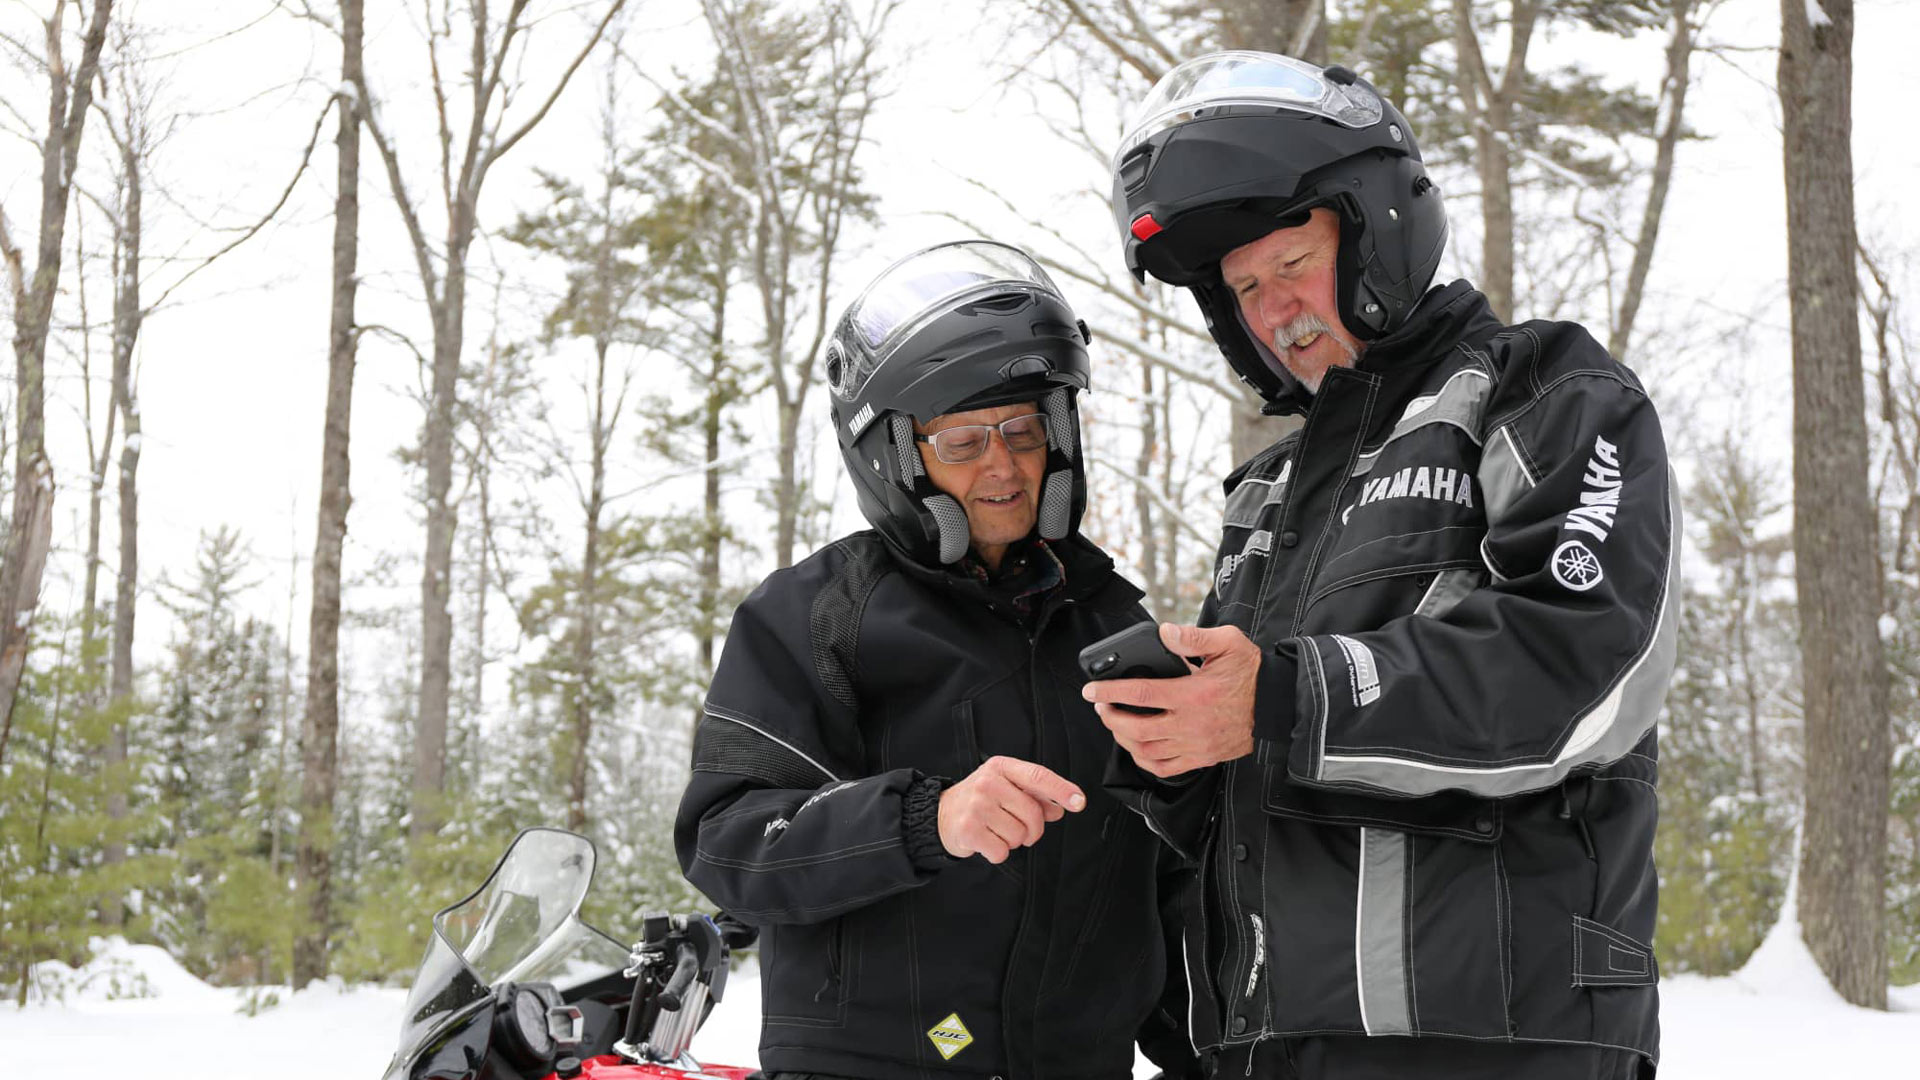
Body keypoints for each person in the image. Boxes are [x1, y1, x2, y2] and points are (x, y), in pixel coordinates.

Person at [1087, 52, 1678, 1079]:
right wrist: (1172, 757)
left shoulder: (1541, 391)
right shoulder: (1266, 490)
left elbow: (1582, 666)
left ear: (1375, 224)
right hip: (1274, 1038)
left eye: (1289, 263)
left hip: (1490, 1034)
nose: (1275, 310)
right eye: (1243, 290)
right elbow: (1263, 756)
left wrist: (1288, 696)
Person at [675, 240, 1195, 1080]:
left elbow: (1171, 887)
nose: (1004, 466)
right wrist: (924, 822)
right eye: (961, 442)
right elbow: (728, 845)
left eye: (1024, 430)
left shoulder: (1115, 625)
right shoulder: (814, 615)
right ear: (898, 459)